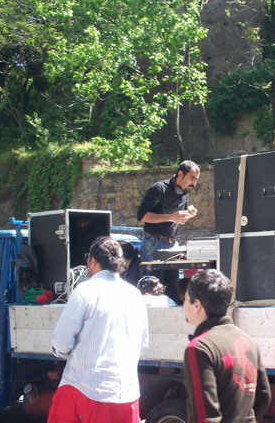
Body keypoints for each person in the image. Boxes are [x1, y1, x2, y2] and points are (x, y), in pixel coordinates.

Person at [48, 237, 149, 423]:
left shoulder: (85, 292)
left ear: (92, 261)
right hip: (127, 394)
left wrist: (63, 353)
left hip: (87, 390)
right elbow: (143, 343)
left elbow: (60, 343)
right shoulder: (135, 295)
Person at [182, 269, 271, 422]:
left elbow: (204, 417)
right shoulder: (247, 340)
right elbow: (263, 396)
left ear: (196, 305)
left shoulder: (199, 348)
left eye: (185, 299)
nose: (183, 305)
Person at [137, 160, 200, 261]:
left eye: (196, 179)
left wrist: (188, 212)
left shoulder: (185, 191)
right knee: (152, 272)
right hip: (153, 243)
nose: (194, 183)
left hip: (173, 244)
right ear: (180, 174)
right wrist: (171, 217)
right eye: (192, 178)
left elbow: (178, 214)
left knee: (175, 272)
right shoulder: (159, 188)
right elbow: (142, 216)